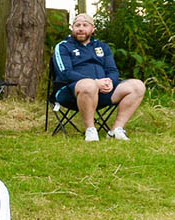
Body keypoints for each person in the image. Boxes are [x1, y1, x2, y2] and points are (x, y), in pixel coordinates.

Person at [53, 13, 146, 142]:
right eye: (77, 25)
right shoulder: (63, 46)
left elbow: (112, 70)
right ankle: (90, 130)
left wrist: (109, 82)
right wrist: (95, 82)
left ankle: (116, 130)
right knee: (89, 85)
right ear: (72, 28)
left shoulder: (102, 47)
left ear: (93, 29)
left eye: (85, 25)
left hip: (102, 92)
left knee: (137, 86)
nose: (80, 28)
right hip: (71, 92)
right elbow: (65, 72)